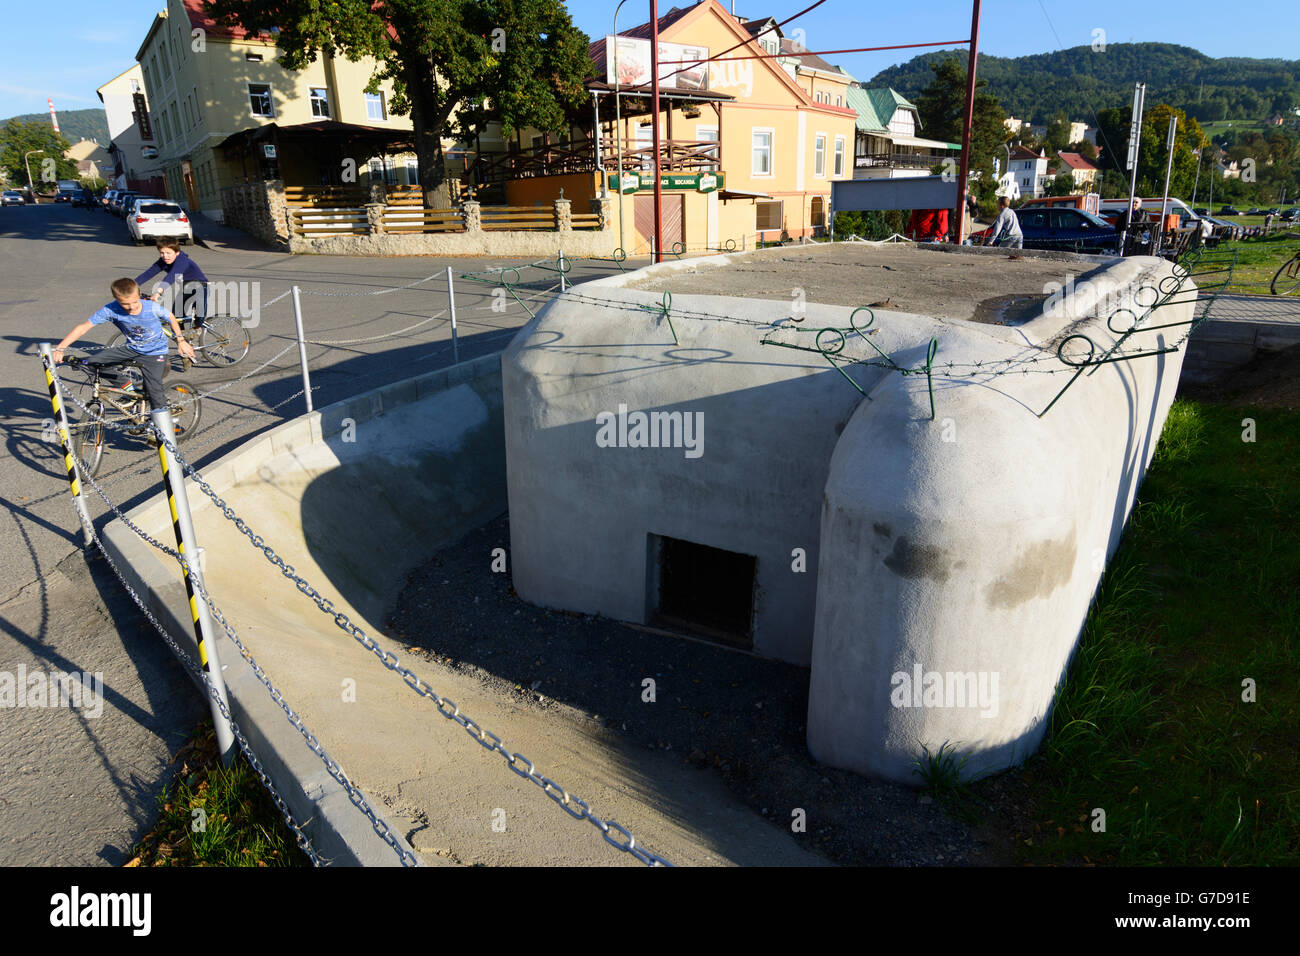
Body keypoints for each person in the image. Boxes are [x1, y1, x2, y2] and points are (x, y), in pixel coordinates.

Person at [52, 277, 196, 415]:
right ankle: (129, 391)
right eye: (125, 304)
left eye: (135, 302)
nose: (132, 307)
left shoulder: (151, 307)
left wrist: (180, 340)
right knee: (92, 363)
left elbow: (170, 317)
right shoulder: (111, 309)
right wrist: (61, 348)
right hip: (132, 349)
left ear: (139, 295)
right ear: (117, 300)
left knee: (154, 393)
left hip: (155, 353)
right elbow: (83, 327)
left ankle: (163, 435)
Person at [136, 240, 211, 326]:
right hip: (186, 286)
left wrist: (158, 292)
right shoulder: (162, 261)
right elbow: (148, 274)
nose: (165, 256)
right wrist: (130, 286)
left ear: (177, 252)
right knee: (176, 316)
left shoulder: (182, 261)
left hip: (201, 285)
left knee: (199, 311)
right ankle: (182, 336)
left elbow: (171, 276)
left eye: (168, 253)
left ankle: (198, 327)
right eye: (162, 253)